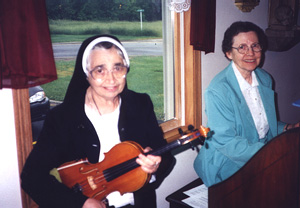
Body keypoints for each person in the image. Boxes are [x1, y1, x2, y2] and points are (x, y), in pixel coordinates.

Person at [21, 35, 175, 208]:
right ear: (86, 74)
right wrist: (80, 203)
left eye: (118, 68)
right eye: (100, 70)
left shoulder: (140, 104)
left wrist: (154, 168)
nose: (111, 79)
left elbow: (166, 156)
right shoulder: (62, 118)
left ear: (126, 70)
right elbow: (32, 177)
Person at [193, 21, 300, 187]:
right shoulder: (218, 90)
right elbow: (226, 142)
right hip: (227, 163)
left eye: (255, 46)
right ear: (229, 53)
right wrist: (273, 153)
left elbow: (260, 123)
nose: (250, 53)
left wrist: (287, 128)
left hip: (259, 153)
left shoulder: (264, 78)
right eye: (241, 47)